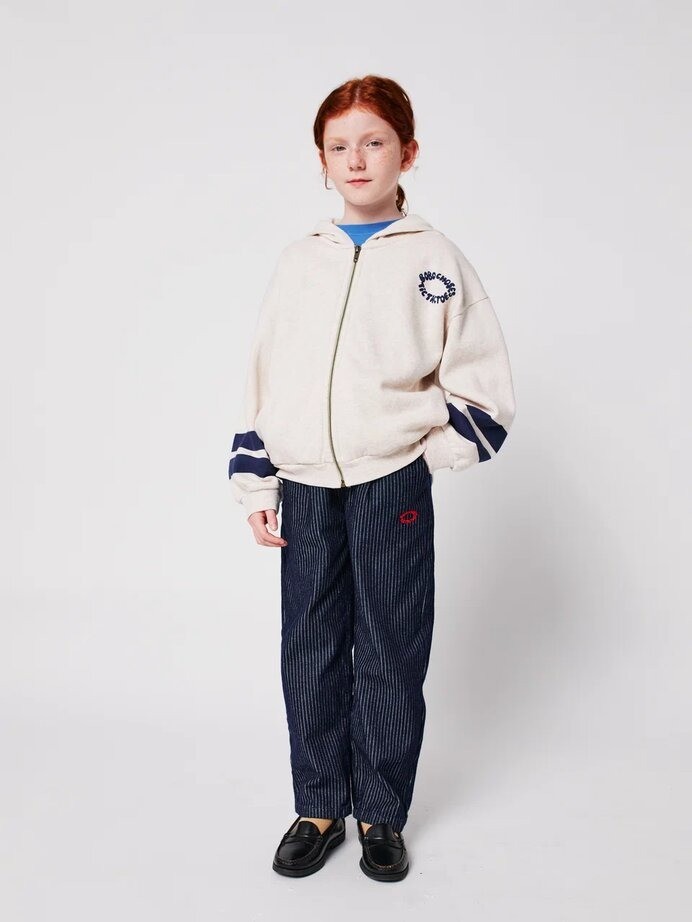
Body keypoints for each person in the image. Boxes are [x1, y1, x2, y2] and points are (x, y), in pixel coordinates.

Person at [228, 74, 516, 882]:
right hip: (305, 483)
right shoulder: (300, 262)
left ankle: (380, 813)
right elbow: (265, 375)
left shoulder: (436, 261)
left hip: (392, 482)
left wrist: (429, 453)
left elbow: (483, 384)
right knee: (310, 644)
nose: (356, 159)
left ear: (407, 153)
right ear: (322, 162)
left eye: (374, 142)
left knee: (391, 643)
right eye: (339, 146)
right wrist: (257, 482)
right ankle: (319, 805)